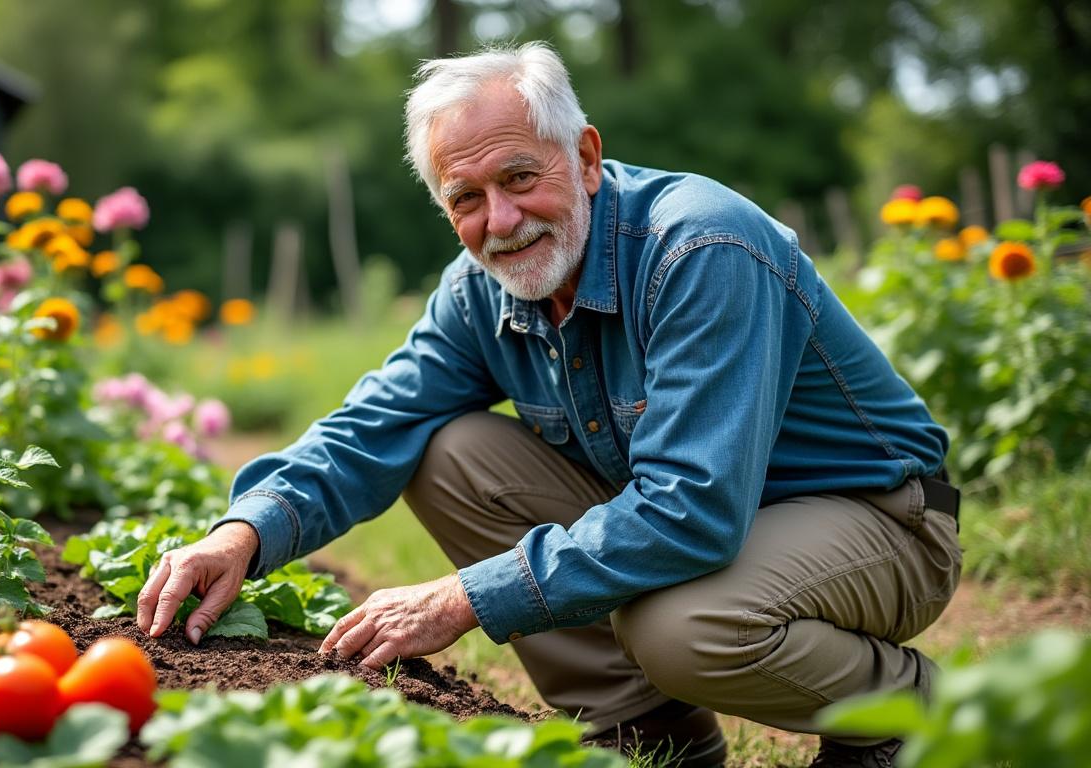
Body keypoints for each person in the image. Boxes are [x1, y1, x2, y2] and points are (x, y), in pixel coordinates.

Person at [134, 42, 962, 768]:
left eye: (520, 178)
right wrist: (244, 530)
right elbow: (373, 425)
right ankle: (644, 730)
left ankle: (914, 717)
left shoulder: (702, 248)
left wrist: (463, 598)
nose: (501, 221)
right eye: (465, 198)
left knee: (684, 627)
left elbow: (693, 513)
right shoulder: (478, 292)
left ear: (587, 157)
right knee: (448, 449)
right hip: (724, 525)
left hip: (877, 519)